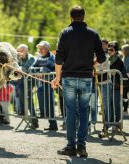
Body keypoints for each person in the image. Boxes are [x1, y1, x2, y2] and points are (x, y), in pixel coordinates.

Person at [51, 5, 106, 157]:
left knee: (70, 112)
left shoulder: (65, 33)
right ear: (83, 16)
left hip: (69, 77)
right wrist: (91, 64)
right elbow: (102, 57)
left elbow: (59, 58)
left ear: (71, 17)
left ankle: (70, 146)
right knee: (83, 112)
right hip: (86, 78)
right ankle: (81, 146)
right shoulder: (93, 34)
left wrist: (57, 77)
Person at [31, 41, 58, 131]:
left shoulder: (52, 57)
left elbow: (52, 69)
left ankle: (53, 124)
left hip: (50, 83)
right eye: (39, 48)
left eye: (41, 48)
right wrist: (39, 71)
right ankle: (43, 114)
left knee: (50, 103)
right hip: (41, 84)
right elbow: (32, 68)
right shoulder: (39, 58)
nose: (40, 50)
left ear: (47, 48)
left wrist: (43, 71)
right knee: (40, 94)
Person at [15, 44, 39, 128]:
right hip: (22, 82)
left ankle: (27, 114)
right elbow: (16, 69)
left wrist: (18, 69)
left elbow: (24, 69)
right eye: (18, 51)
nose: (19, 53)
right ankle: (33, 120)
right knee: (28, 99)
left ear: (26, 50)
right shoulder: (18, 59)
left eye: (21, 51)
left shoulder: (31, 58)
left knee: (28, 99)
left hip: (30, 82)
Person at [122, 44, 129, 116]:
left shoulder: (126, 58)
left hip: (125, 80)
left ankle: (125, 110)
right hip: (126, 79)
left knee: (124, 95)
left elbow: (126, 69)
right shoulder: (125, 58)